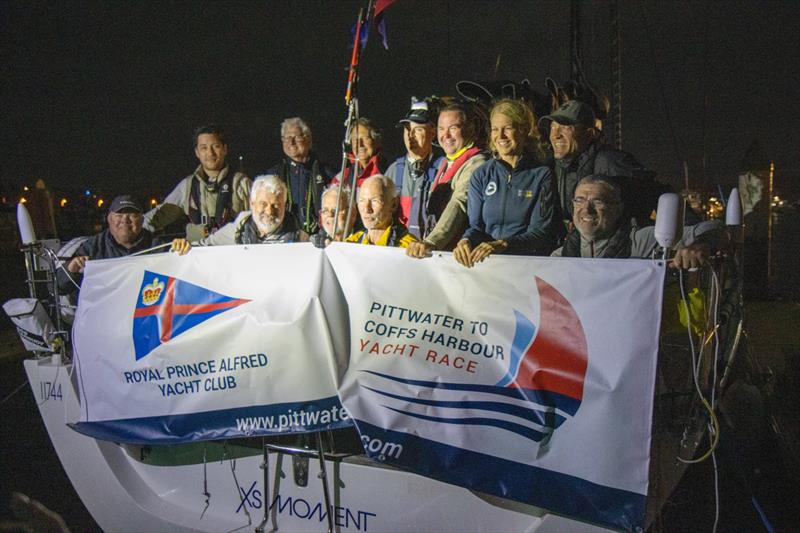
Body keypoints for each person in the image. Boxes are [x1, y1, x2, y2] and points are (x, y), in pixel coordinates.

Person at [454, 99, 557, 268]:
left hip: (525, 266)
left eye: (508, 128)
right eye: (495, 129)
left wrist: (504, 244)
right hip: (489, 265)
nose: (500, 136)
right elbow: (476, 227)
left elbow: (540, 232)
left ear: (523, 130)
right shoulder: (482, 174)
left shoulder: (541, 175)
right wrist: (466, 240)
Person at [538, 100, 661, 229]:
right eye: (553, 127)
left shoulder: (611, 162)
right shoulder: (551, 167)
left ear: (590, 133)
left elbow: (657, 196)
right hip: (575, 245)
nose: (556, 135)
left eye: (566, 127)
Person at [552, 175, 722, 266]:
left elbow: (716, 228)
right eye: (579, 200)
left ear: (618, 209)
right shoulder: (558, 258)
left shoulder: (643, 241)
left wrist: (701, 244)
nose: (586, 209)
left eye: (598, 201)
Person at [58, 195, 189, 294]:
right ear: (109, 219)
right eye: (119, 215)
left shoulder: (158, 246)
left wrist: (182, 252)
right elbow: (59, 287)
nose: (125, 220)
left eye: (132, 215)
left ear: (142, 219)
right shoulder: (93, 247)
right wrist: (71, 270)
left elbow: (183, 280)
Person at [405, 102, 488, 257]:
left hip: (459, 255)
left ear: (469, 129)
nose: (446, 135)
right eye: (441, 129)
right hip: (443, 252)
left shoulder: (476, 163)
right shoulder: (447, 162)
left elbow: (458, 203)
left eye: (453, 128)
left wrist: (432, 241)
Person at [144, 125, 252, 234]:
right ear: (197, 152)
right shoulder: (188, 186)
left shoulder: (242, 183)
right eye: (204, 148)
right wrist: (132, 225)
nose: (210, 153)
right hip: (199, 249)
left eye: (215, 146)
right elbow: (159, 216)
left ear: (225, 149)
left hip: (234, 249)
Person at [384, 99, 444, 235]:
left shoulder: (443, 169)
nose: (411, 136)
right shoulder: (393, 171)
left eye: (418, 129)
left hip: (428, 251)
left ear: (433, 133)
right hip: (397, 250)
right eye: (407, 129)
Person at [196, 175, 308, 246]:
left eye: (276, 205)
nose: (269, 211)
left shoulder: (300, 236)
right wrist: (182, 246)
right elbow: (202, 247)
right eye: (263, 204)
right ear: (252, 204)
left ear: (284, 205)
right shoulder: (239, 229)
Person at [267, 117, 334, 235]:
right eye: (287, 138)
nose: (291, 142)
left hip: (320, 237)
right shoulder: (272, 176)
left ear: (308, 139)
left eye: (296, 137)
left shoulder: (327, 173)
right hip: (284, 238)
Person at [345, 175, 417, 247]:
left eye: (375, 201)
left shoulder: (408, 248)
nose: (367, 209)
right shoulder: (352, 243)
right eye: (362, 201)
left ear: (394, 205)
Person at [333, 117, 385, 189]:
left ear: (375, 141)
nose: (360, 144)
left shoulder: (388, 172)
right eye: (355, 140)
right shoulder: (341, 179)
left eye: (365, 138)